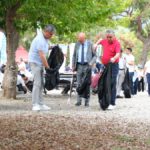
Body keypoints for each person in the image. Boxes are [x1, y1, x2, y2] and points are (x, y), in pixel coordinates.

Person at [28, 24, 56, 111]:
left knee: (41, 84)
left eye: (52, 34)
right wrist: (47, 68)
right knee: (37, 83)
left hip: (39, 62)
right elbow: (43, 57)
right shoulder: (40, 40)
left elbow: (45, 47)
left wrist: (52, 47)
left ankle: (41, 104)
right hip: (35, 62)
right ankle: (35, 104)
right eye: (50, 34)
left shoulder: (45, 38)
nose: (51, 36)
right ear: (46, 31)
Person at [93, 30, 120, 110]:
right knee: (105, 83)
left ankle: (112, 103)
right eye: (107, 37)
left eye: (110, 37)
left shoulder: (117, 43)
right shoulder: (105, 41)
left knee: (112, 83)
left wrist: (114, 58)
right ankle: (106, 101)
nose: (108, 39)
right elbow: (100, 40)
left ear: (114, 35)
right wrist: (96, 44)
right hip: (105, 66)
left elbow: (118, 53)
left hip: (113, 65)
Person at [72, 32, 97, 107]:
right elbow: (74, 55)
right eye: (79, 40)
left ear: (85, 38)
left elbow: (95, 56)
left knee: (87, 84)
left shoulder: (91, 44)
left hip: (87, 66)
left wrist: (91, 63)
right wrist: (73, 65)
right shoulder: (77, 44)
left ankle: (87, 101)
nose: (80, 42)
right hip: (79, 65)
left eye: (81, 41)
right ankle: (78, 101)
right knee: (79, 83)